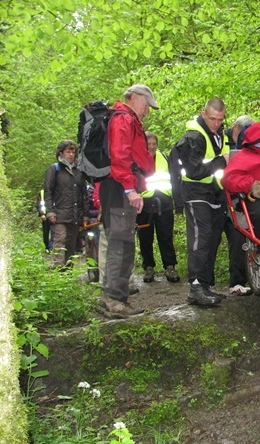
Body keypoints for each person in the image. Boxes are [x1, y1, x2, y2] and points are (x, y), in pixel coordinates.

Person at [99, 84, 157, 316]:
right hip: (119, 188)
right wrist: (129, 190)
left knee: (120, 242)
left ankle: (111, 297)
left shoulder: (124, 118)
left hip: (118, 187)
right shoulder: (123, 119)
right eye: (146, 105)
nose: (147, 111)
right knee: (121, 245)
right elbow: (120, 156)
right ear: (134, 98)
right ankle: (115, 302)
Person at [174, 98, 229, 306]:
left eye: (220, 119)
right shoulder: (194, 136)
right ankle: (196, 286)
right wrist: (221, 161)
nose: (216, 123)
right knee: (201, 237)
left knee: (213, 237)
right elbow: (194, 171)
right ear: (204, 114)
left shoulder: (219, 133)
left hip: (214, 192)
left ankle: (204, 285)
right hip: (195, 191)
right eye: (213, 119)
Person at [137, 131, 180, 283]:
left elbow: (174, 179)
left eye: (154, 144)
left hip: (164, 201)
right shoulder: (137, 160)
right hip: (144, 203)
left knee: (166, 236)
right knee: (145, 237)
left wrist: (177, 201)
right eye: (149, 144)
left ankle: (170, 266)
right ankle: (148, 267)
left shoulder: (165, 158)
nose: (152, 146)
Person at [222, 115, 255, 296]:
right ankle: (236, 281)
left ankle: (243, 279)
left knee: (243, 234)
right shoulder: (222, 141)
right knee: (236, 236)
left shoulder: (250, 144)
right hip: (222, 195)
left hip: (241, 194)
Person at [42, 140, 90, 267]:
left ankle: (68, 271)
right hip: (59, 213)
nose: (71, 155)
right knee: (60, 239)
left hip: (75, 215)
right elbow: (48, 192)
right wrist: (50, 211)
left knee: (71, 243)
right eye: (68, 151)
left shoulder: (79, 172)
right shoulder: (54, 169)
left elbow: (84, 194)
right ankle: (58, 269)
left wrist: (85, 215)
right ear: (61, 153)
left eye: (73, 152)